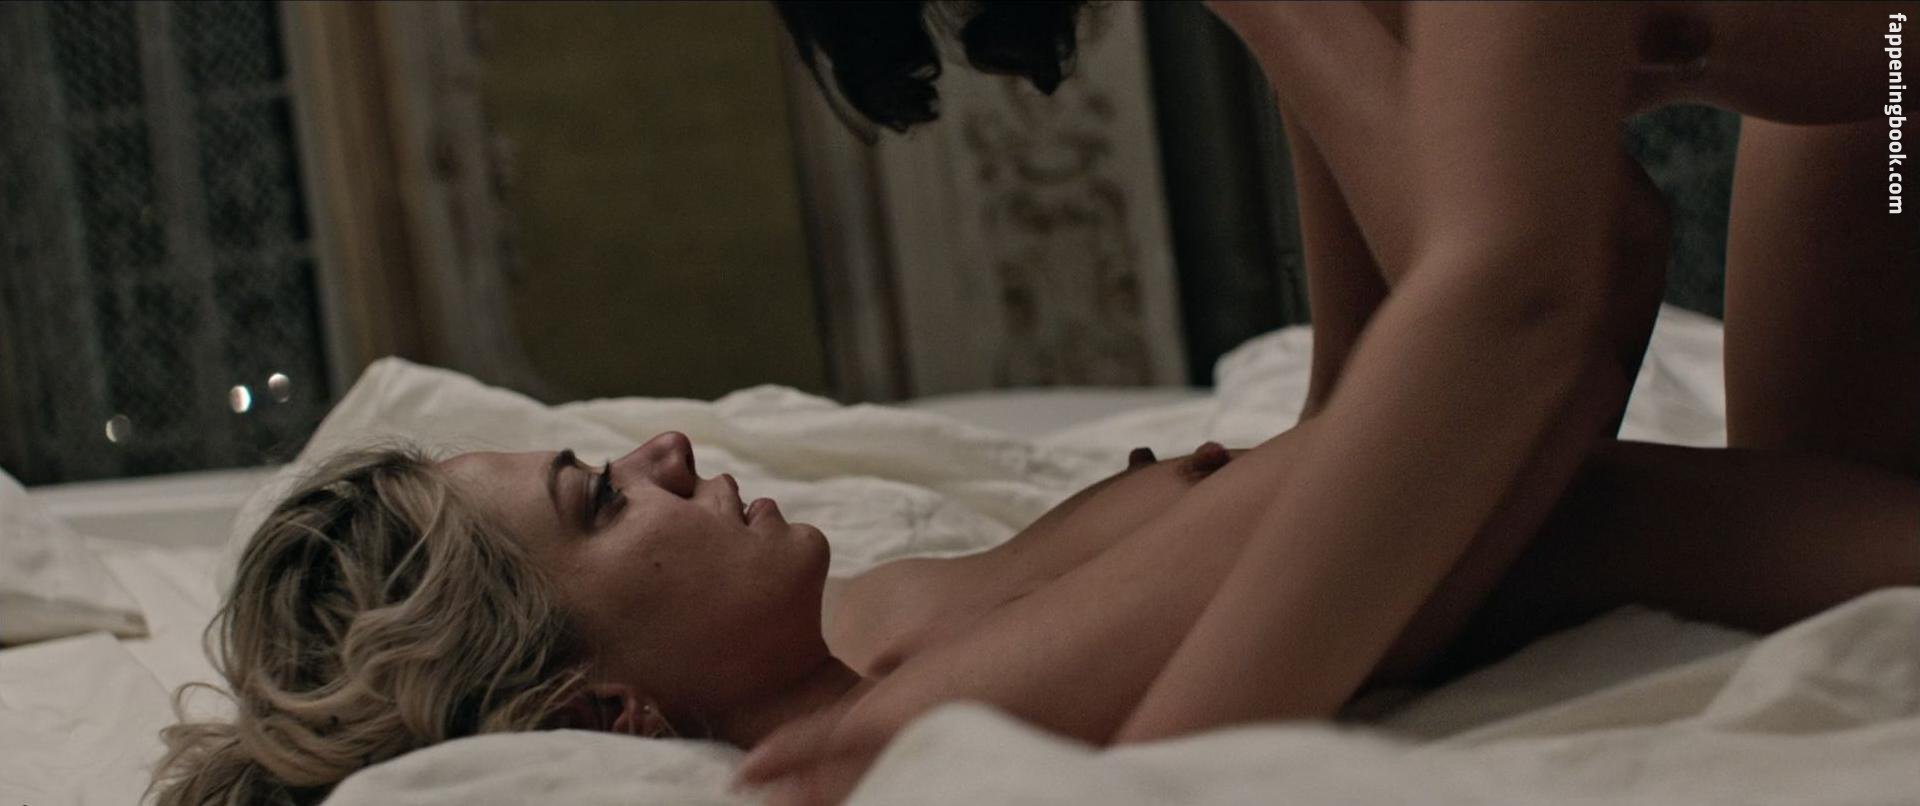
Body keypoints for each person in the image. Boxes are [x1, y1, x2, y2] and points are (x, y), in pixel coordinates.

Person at [774, 0, 1919, 756]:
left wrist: (1163, 765)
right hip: (1884, 89)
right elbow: (1377, 378)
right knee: (1840, 557)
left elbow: (1559, 283)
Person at [151, 429, 1920, 805]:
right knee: (1877, 87)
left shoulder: (879, 621)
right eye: (600, 501)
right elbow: (1518, 341)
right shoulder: (909, 734)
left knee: (1871, 91)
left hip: (1735, 471)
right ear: (599, 716)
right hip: (1801, 536)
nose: (668, 447)